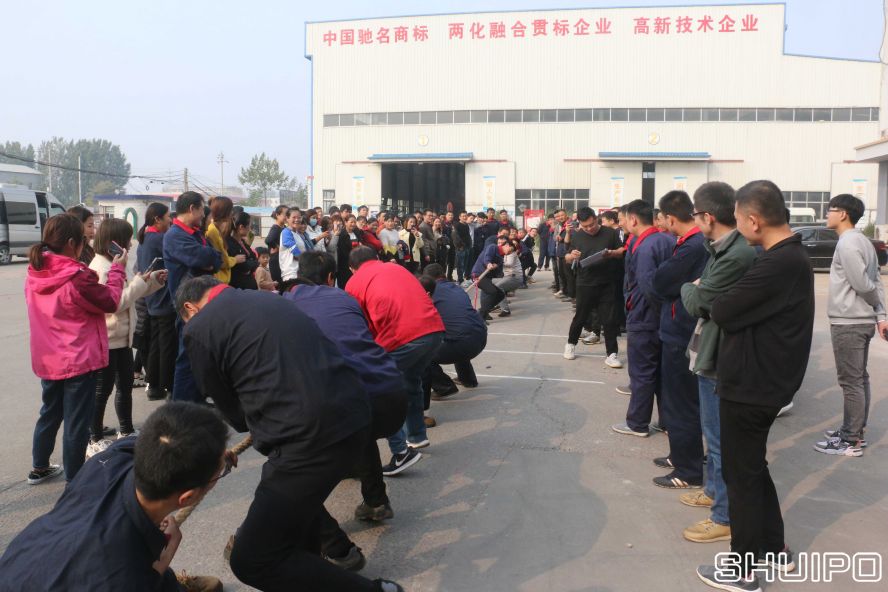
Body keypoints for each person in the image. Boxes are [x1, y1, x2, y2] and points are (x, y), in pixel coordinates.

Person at [177, 276, 406, 592]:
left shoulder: (199, 328)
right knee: (297, 529)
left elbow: (227, 406)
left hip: (305, 439)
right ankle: (330, 556)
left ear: (189, 308)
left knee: (251, 558)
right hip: (356, 418)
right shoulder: (274, 299)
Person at [696, 180, 812, 591]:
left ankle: (742, 569)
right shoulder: (786, 257)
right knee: (752, 468)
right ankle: (772, 547)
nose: (737, 226)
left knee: (740, 477)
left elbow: (723, 309)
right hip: (762, 382)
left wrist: (712, 298)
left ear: (753, 220)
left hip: (752, 386)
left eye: (738, 219)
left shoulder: (777, 263)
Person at [0, 403, 226, 592]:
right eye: (221, 473)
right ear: (187, 498)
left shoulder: (110, 459)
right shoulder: (122, 574)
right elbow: (125, 578)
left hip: (25, 561)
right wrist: (161, 565)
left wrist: (209, 453)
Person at [281, 252, 407, 571]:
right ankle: (376, 501)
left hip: (343, 400)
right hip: (390, 391)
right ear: (329, 278)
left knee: (289, 469)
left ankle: (334, 545)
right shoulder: (344, 298)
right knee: (359, 427)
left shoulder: (286, 305)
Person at [679, 181, 756, 545]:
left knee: (720, 440)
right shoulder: (720, 249)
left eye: (695, 215)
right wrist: (696, 288)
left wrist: (688, 287)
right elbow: (703, 296)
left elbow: (697, 301)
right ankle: (712, 491)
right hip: (708, 350)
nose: (694, 221)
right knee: (712, 435)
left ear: (707, 216)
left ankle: (724, 516)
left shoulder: (737, 255)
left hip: (720, 358)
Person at [24, 214, 125, 484]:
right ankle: (75, 481)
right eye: (83, 238)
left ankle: (40, 466)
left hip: (48, 357)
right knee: (76, 423)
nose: (86, 242)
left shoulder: (35, 270)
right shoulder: (76, 277)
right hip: (77, 359)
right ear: (72, 243)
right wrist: (117, 270)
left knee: (50, 412)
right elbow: (110, 301)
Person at [345, 247, 445, 476]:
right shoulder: (396, 268)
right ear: (376, 258)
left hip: (403, 338)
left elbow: (360, 325)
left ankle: (401, 452)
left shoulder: (354, 283)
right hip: (434, 331)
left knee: (380, 389)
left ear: (352, 268)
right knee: (411, 380)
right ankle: (416, 436)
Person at [815, 193, 888, 456]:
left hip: (849, 321)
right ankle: (855, 431)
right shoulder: (863, 242)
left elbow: (864, 284)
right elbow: (876, 280)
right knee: (859, 379)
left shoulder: (847, 243)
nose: (827, 214)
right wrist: (880, 315)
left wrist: (875, 305)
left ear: (843, 214)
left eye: (830, 209)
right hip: (859, 320)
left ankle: (850, 440)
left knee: (851, 382)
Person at [88, 219, 165, 456]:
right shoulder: (101, 268)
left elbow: (129, 293)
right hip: (108, 339)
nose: (130, 244)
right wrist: (140, 283)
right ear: (114, 242)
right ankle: (94, 438)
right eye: (126, 239)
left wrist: (151, 282)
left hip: (122, 338)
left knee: (124, 386)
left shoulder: (115, 263)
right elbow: (115, 303)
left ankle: (126, 430)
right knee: (102, 391)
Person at [649, 191, 708, 489]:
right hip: (679, 327)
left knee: (681, 403)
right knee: (678, 401)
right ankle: (681, 455)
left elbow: (660, 281)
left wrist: (668, 282)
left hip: (681, 331)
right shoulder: (692, 242)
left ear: (671, 218)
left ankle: (688, 471)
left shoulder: (693, 246)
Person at [612, 199, 674, 438]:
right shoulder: (666, 239)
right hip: (661, 317)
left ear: (633, 219)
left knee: (642, 373)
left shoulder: (646, 245)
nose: (621, 224)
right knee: (662, 374)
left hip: (645, 317)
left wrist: (653, 311)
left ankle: (637, 423)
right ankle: (667, 421)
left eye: (623, 220)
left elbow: (648, 287)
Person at [163, 191, 222, 403]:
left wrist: (210, 260)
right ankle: (181, 407)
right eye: (201, 210)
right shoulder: (175, 236)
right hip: (188, 306)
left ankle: (196, 404)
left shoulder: (195, 233)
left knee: (200, 358)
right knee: (187, 359)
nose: (203, 215)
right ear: (192, 209)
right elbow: (203, 257)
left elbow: (217, 259)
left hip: (202, 303)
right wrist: (209, 259)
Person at [562, 207, 623, 367]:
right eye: (585, 226)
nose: (589, 228)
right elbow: (567, 257)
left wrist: (611, 253)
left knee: (609, 320)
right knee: (581, 316)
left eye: (592, 224)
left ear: (596, 219)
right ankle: (570, 344)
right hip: (585, 282)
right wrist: (571, 256)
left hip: (607, 282)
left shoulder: (610, 233)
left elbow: (621, 250)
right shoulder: (577, 236)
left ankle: (612, 354)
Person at [421, 264, 488, 398]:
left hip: (462, 344)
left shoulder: (430, 293)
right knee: (456, 333)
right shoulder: (457, 288)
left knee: (420, 354)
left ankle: (444, 387)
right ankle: (467, 379)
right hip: (481, 337)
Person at [137, 202, 177, 402]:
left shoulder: (145, 238)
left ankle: (154, 386)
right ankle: (168, 386)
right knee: (167, 345)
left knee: (156, 344)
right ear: (157, 219)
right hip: (163, 298)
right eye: (168, 216)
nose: (170, 220)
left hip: (152, 297)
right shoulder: (160, 239)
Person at [471, 235, 512, 321]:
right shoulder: (493, 247)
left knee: (500, 294)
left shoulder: (501, 258)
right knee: (492, 292)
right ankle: (481, 315)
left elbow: (499, 272)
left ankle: (484, 312)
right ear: (506, 245)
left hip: (487, 278)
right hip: (478, 275)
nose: (510, 252)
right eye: (510, 249)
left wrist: (498, 267)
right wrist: (488, 263)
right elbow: (487, 257)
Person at [205, 196, 244, 284]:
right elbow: (221, 260)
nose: (231, 213)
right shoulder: (213, 231)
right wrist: (235, 260)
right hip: (218, 280)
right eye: (230, 210)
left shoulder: (215, 228)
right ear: (225, 212)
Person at [226, 211, 259, 290]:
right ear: (241, 227)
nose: (250, 229)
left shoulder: (243, 242)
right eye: (249, 226)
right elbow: (244, 266)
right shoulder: (230, 244)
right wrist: (250, 264)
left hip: (249, 285)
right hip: (239, 288)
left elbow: (255, 259)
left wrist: (250, 264)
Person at [492, 239, 523, 318]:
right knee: (489, 282)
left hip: (514, 278)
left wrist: (498, 263)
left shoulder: (512, 254)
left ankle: (505, 310)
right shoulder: (505, 254)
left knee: (498, 287)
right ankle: (496, 304)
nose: (501, 247)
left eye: (504, 245)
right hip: (508, 277)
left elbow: (509, 263)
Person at [279, 209, 312, 281]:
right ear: (287, 218)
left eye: (299, 217)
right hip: (291, 274)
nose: (297, 220)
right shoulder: (286, 232)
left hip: (300, 272)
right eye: (294, 217)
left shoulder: (297, 233)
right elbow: (295, 252)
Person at [265, 205, 289, 284]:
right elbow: (268, 240)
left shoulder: (284, 227)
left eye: (288, 214)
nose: (287, 216)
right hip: (276, 261)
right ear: (277, 215)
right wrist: (277, 247)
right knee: (279, 284)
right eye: (285, 214)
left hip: (282, 259)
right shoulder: (276, 228)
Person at [452, 211, 472, 283]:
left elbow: (468, 236)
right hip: (461, 248)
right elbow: (455, 237)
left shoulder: (466, 225)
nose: (464, 217)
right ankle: (460, 280)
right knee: (460, 265)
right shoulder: (457, 225)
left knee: (465, 264)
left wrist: (470, 244)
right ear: (459, 217)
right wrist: (460, 246)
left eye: (465, 216)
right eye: (463, 216)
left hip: (467, 247)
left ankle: (462, 279)